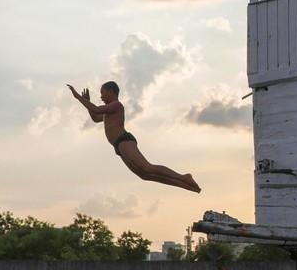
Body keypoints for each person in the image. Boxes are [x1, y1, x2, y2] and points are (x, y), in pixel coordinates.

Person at [68, 81, 201, 193]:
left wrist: (78, 97)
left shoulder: (116, 105)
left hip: (124, 141)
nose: (101, 96)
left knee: (147, 167)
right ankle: (184, 184)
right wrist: (87, 103)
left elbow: (96, 109)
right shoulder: (107, 111)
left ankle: (183, 177)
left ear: (111, 92)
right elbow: (96, 118)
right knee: (144, 175)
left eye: (102, 93)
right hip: (118, 146)